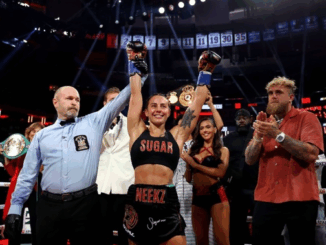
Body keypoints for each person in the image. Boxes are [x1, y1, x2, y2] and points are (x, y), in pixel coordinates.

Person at [4, 72, 147, 245]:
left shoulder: (93, 123)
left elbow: (120, 100)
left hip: (85, 206)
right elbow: (27, 175)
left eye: (77, 100)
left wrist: (140, 74)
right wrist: (15, 208)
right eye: (69, 98)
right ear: (55, 102)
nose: (74, 102)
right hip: (49, 206)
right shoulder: (42, 136)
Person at [123, 42, 221, 245]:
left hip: (166, 201)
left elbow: (196, 103)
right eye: (154, 106)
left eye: (163, 106)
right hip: (138, 200)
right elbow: (135, 95)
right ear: (147, 111)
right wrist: (134, 61)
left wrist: (205, 71)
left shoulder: (177, 135)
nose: (159, 109)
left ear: (169, 111)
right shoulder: (136, 130)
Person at [245, 77, 324, 245]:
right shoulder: (264, 123)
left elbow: (311, 154)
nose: (273, 96)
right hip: (266, 197)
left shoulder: (307, 118)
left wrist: (278, 135)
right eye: (270, 93)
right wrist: (258, 138)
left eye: (278, 92)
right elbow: (250, 159)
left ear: (290, 97)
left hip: (300, 197)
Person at [182, 109, 229, 245]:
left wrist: (194, 164)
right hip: (197, 197)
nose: (205, 130)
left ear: (215, 129)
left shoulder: (222, 150)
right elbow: (188, 178)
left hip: (217, 196)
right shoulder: (193, 150)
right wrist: (188, 165)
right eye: (201, 128)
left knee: (222, 241)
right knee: (200, 242)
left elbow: (220, 173)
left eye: (208, 127)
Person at [96, 87, 134, 245]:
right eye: (111, 100)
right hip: (100, 185)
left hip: (123, 184)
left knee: (125, 231)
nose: (115, 103)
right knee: (101, 231)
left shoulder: (132, 123)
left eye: (119, 100)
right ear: (105, 103)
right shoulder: (94, 123)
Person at [0, 122, 44, 245]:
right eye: (33, 131)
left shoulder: (45, 148)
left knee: (37, 221)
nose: (35, 133)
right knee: (14, 222)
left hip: (35, 189)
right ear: (28, 134)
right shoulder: (19, 149)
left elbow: (44, 170)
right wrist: (6, 154)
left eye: (38, 131)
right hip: (19, 189)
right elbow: (11, 171)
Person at [223, 109, 259, 245]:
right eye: (239, 118)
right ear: (235, 120)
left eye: (244, 117)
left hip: (256, 186)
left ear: (251, 119)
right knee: (236, 225)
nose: (242, 120)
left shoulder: (258, 136)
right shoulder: (227, 139)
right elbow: (222, 163)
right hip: (236, 189)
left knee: (260, 224)